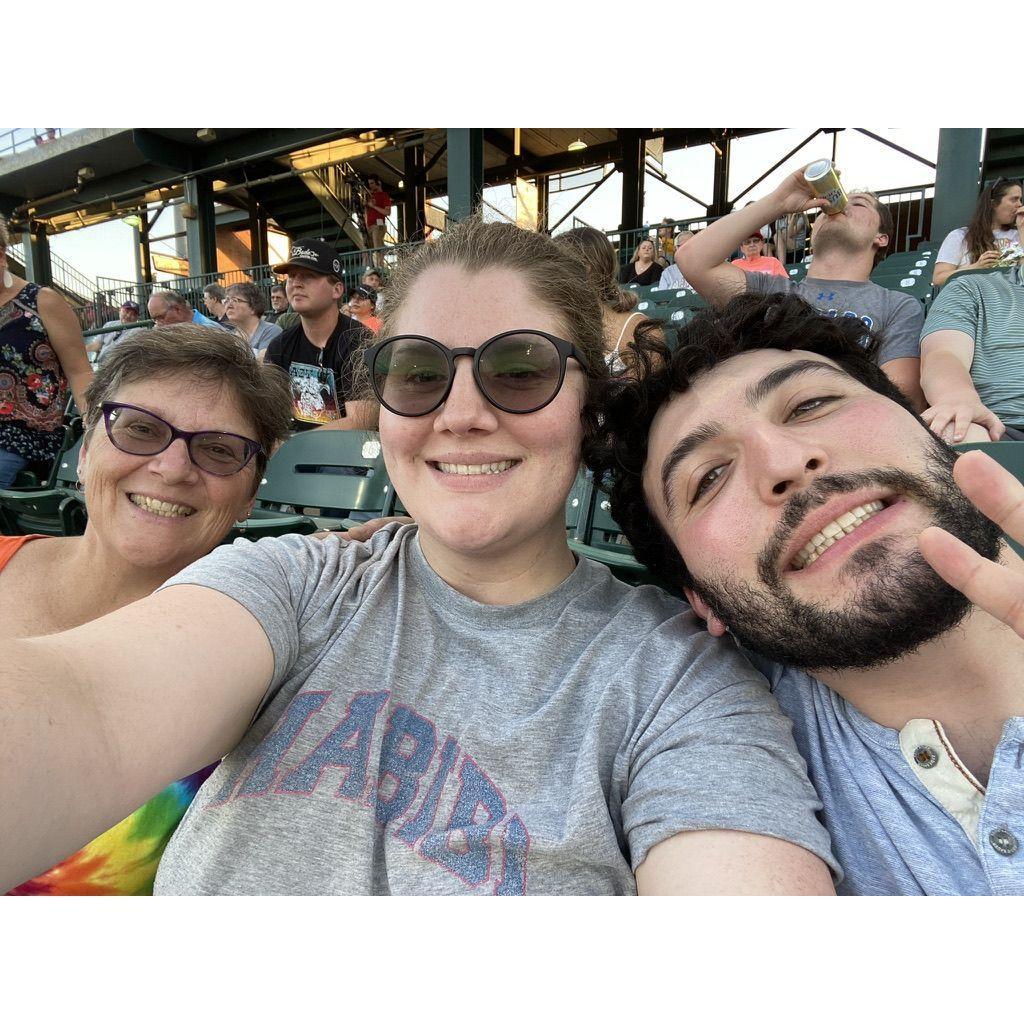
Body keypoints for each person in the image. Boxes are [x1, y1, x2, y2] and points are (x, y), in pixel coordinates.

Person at [1, 219, 837, 896]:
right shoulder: (298, 582)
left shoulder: (679, 680)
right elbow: (92, 712)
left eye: (520, 370)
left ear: (589, 411)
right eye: (417, 373)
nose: (462, 412)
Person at [589, 292, 1024, 895]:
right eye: (708, 478)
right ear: (704, 602)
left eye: (812, 404)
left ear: (924, 428)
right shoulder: (719, 743)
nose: (785, 462)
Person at [5, 326, 294, 894]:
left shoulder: (262, 658)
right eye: (140, 430)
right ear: (85, 450)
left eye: (217, 450)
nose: (172, 468)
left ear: (250, 496)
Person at [679, 164, 926, 411]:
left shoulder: (897, 305)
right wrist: (778, 202)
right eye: (828, 204)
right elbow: (692, 260)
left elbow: (901, 398)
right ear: (814, 231)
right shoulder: (769, 291)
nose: (840, 205)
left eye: (858, 203)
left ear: (881, 237)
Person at [0, 214, 92, 488]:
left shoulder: (42, 301)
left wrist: (94, 430)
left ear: (2, 255)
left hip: (28, 434)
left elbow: (80, 371)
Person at [919, 210, 1024, 444]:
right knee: (953, 432)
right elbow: (943, 354)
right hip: (1004, 427)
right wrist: (956, 397)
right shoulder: (971, 288)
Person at [264, 239, 375, 431]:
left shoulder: (359, 341)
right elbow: (269, 412)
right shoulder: (280, 346)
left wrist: (296, 444)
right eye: (291, 277)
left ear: (337, 289)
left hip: (347, 455)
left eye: (308, 276)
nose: (296, 283)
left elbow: (363, 420)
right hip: (295, 454)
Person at [555, 227, 662, 377]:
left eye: (554, 268)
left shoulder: (640, 333)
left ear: (585, 268)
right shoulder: (552, 325)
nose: (546, 277)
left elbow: (643, 398)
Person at [933, 178, 1023, 288]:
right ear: (993, 203)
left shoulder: (1019, 234)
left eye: (1020, 200)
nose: (1019, 204)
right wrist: (976, 267)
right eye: (1014, 199)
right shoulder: (960, 236)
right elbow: (938, 278)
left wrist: (1022, 228)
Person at [224, 281, 282, 360]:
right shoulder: (227, 336)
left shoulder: (270, 331)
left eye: (235, 300)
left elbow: (262, 366)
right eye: (227, 300)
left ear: (253, 308)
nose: (229, 305)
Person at [147, 289, 224, 331]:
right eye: (155, 319)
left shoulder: (209, 329)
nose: (158, 323)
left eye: (161, 317)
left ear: (177, 309)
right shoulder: (173, 330)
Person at [364, 176, 392, 266]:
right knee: (366, 248)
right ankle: (366, 270)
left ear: (378, 183)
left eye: (372, 183)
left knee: (377, 247)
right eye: (369, 184)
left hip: (378, 225)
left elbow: (388, 212)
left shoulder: (384, 195)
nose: (370, 186)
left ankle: (380, 268)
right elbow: (366, 213)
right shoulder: (369, 196)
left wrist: (373, 206)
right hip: (369, 226)